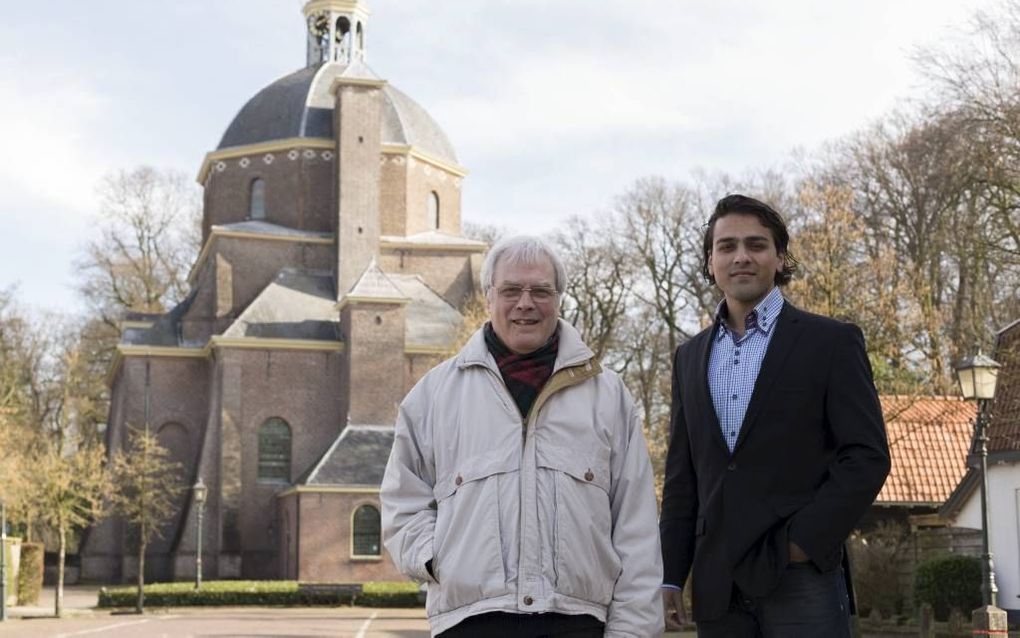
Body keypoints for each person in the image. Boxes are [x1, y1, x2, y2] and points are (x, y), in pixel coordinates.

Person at [382, 235, 664, 637]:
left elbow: (636, 529)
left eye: (540, 291)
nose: (525, 303)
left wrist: (633, 632)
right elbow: (401, 502)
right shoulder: (433, 396)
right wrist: (435, 558)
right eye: (511, 290)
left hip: (580, 624)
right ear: (489, 296)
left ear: (559, 298)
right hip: (468, 623)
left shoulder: (609, 396)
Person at [659, 194, 891, 637]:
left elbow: (866, 455)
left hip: (800, 577)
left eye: (756, 244)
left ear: (779, 257)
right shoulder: (688, 358)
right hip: (716, 580)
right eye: (727, 246)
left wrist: (802, 543)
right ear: (711, 262)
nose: (741, 256)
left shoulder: (831, 343)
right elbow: (681, 476)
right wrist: (672, 573)